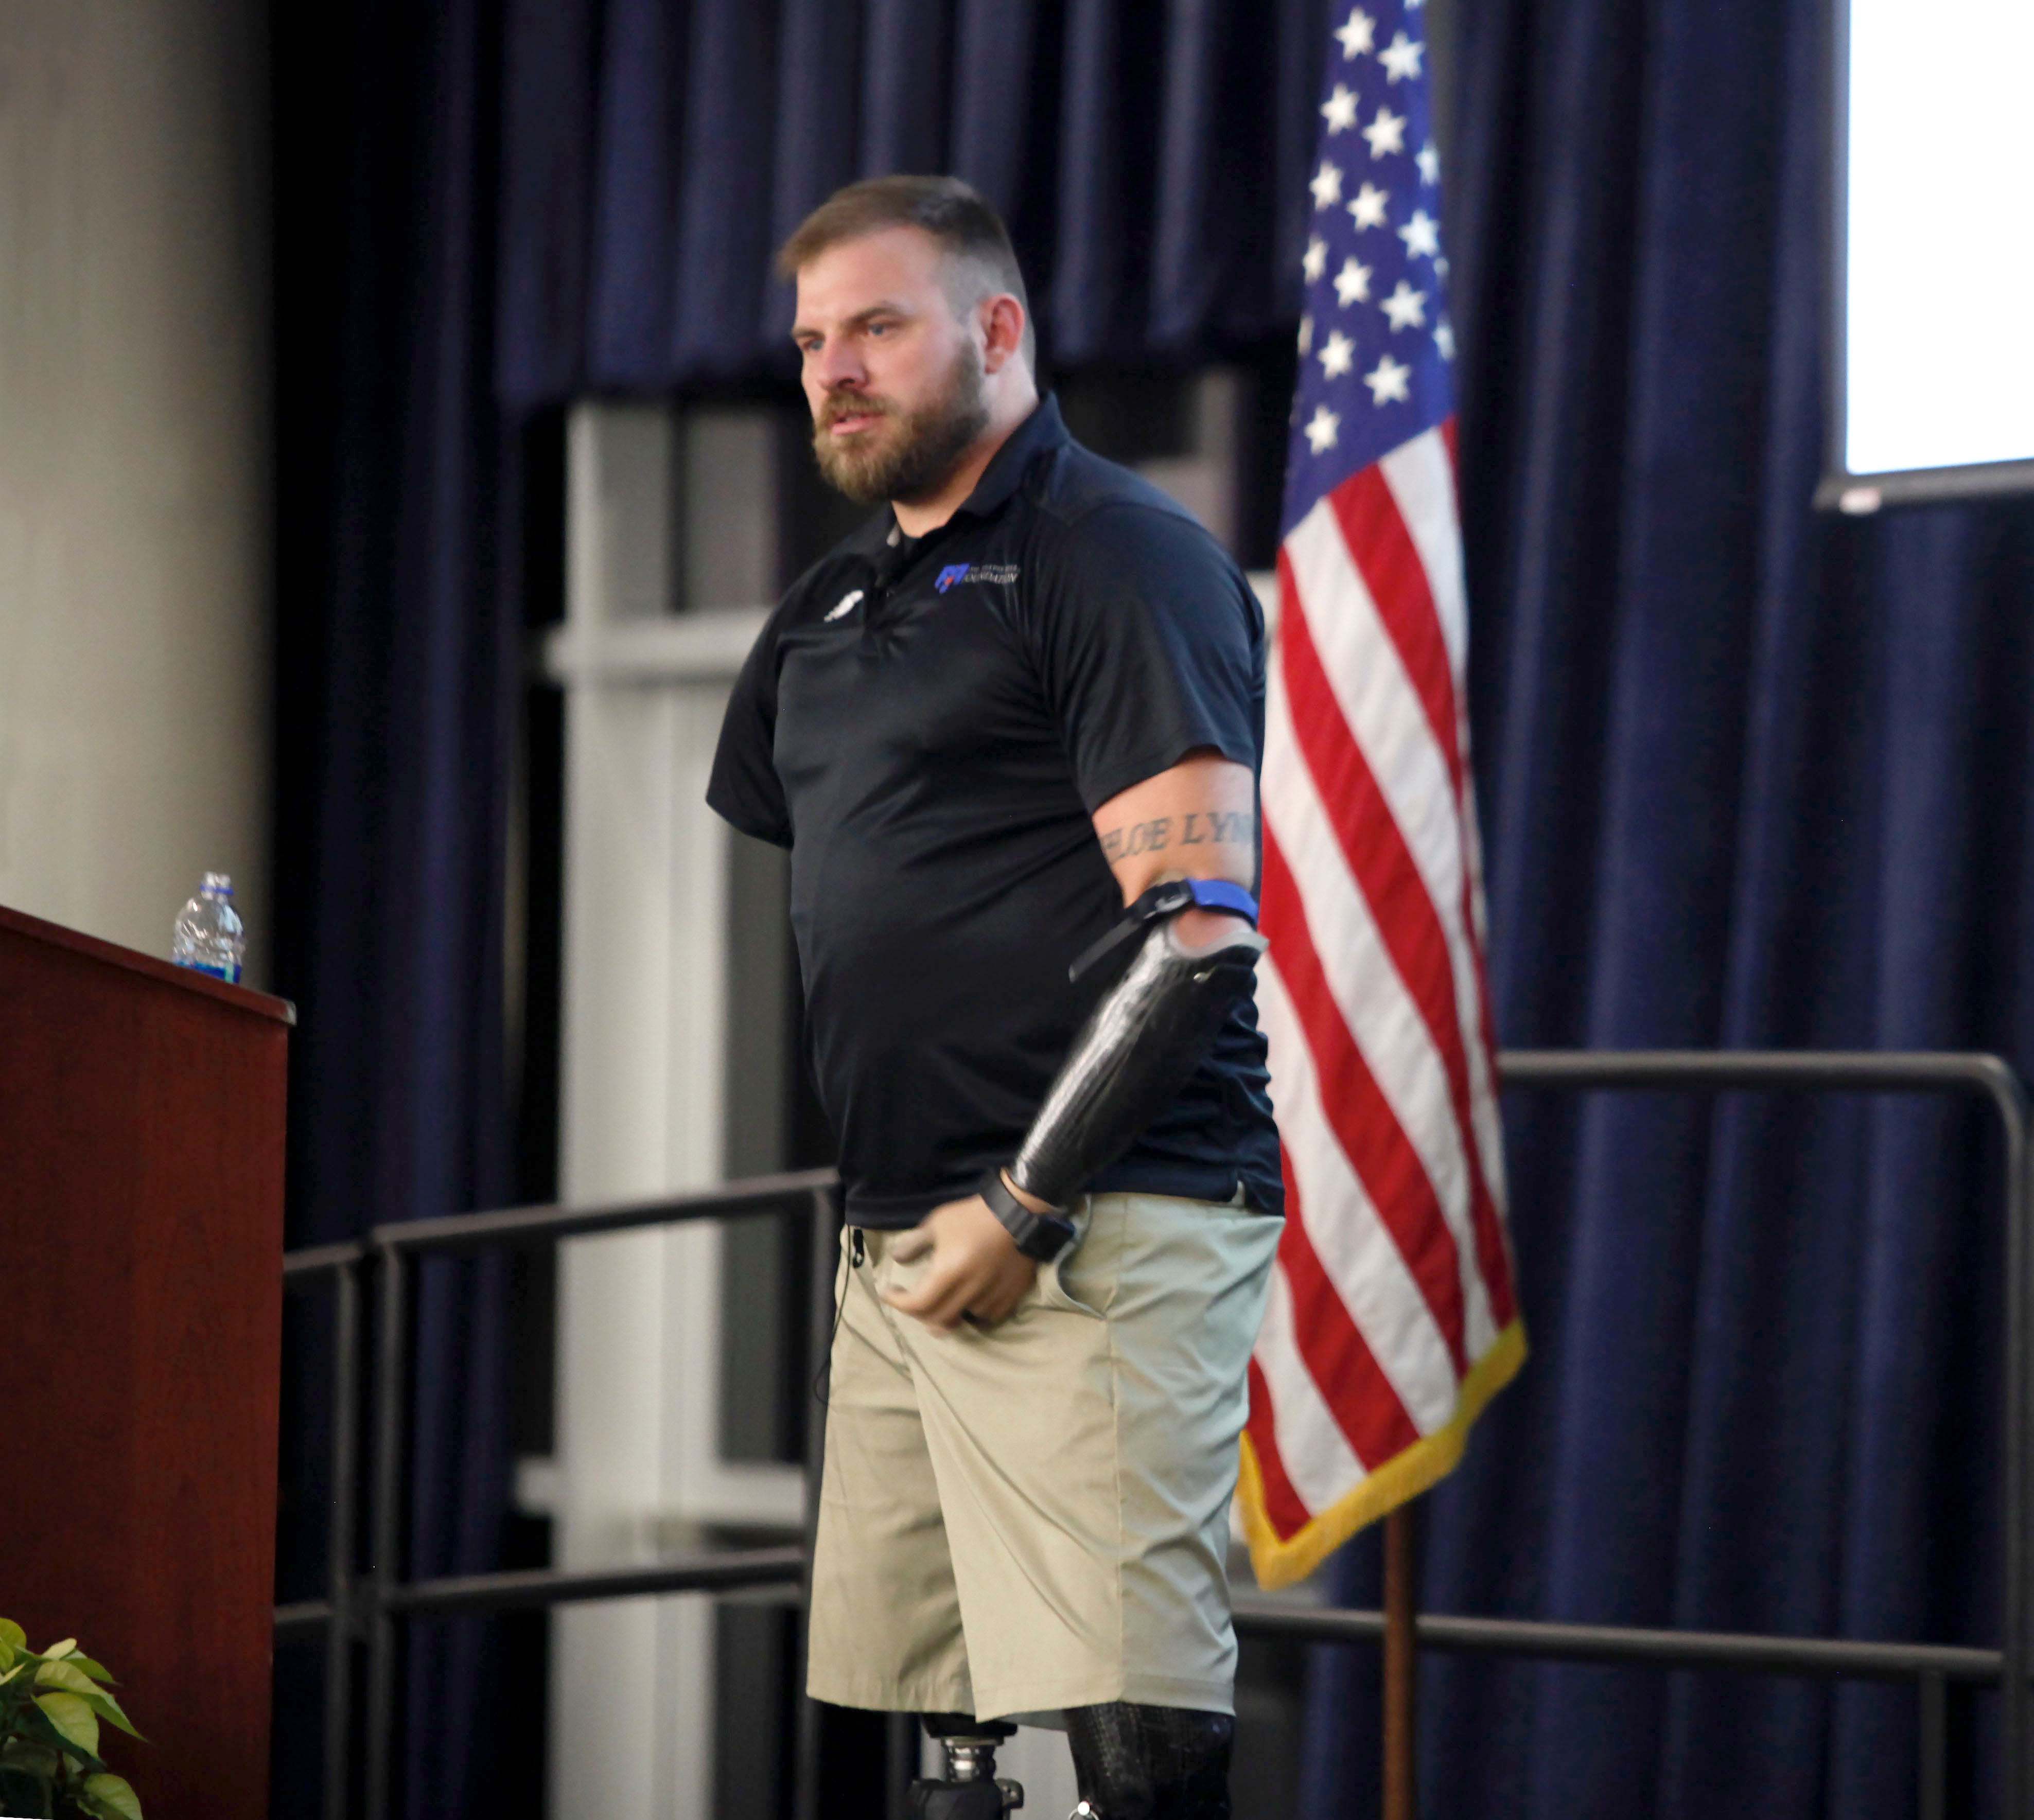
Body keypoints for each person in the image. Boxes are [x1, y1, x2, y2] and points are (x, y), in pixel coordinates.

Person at [707, 174, 1285, 1820]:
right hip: (900, 1241)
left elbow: (1198, 936)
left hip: (1095, 1225)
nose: (833, 370)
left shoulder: (1120, 553)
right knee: (942, 1732)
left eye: (878, 327)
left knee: (1128, 1725)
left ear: (998, 330)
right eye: (812, 341)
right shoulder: (822, 611)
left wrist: (1024, 1197)